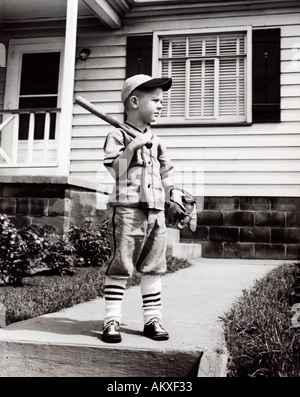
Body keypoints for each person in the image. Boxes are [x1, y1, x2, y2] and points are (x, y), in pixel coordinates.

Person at [102, 74, 174, 343]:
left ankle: (152, 320)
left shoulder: (157, 141)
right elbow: (117, 172)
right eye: (155, 100)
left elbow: (166, 175)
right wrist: (131, 146)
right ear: (134, 101)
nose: (160, 105)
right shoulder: (117, 135)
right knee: (121, 263)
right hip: (127, 209)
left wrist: (173, 197)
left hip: (155, 211)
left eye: (161, 100)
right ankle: (112, 321)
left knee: (154, 266)